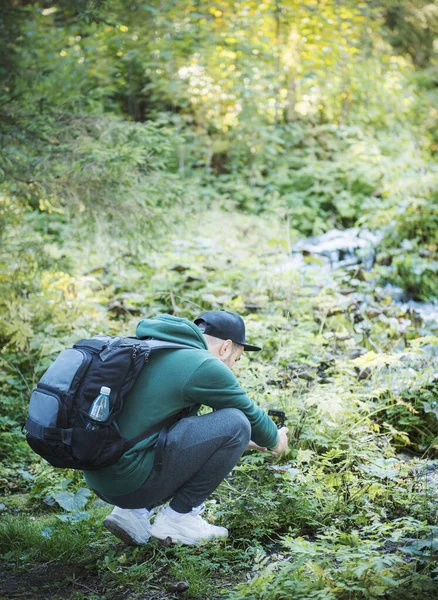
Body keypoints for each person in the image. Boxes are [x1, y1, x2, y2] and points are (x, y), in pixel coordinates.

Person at [83, 310, 289, 546]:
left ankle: (133, 512)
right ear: (226, 348)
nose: (233, 367)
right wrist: (276, 441)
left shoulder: (154, 348)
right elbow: (250, 417)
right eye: (236, 359)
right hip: (131, 480)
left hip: (101, 474)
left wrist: (241, 442)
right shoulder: (203, 364)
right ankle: (179, 518)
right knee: (237, 422)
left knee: (232, 429)